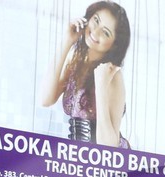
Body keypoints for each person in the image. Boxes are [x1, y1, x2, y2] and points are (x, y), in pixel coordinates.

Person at [41, 2, 131, 146]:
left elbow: (110, 146)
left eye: (105, 32)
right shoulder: (77, 59)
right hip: (79, 154)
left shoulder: (113, 76)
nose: (95, 32)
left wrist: (101, 85)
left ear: (114, 44)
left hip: (104, 162)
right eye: (96, 20)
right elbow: (45, 99)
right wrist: (68, 40)